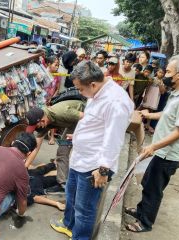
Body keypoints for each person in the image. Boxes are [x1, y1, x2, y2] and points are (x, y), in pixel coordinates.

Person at [50, 60, 134, 240]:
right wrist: (79, 137)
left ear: (93, 84)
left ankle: (79, 236)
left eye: (80, 89)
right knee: (71, 196)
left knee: (85, 209)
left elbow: (114, 140)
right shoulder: (96, 93)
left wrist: (103, 170)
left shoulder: (116, 102)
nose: (80, 93)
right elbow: (95, 123)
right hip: (80, 158)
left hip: (93, 166)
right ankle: (68, 225)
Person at [125, 54, 179, 233]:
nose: (165, 74)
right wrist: (149, 115)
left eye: (168, 71)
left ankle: (145, 222)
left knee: (154, 189)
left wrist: (153, 146)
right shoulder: (177, 94)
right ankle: (141, 211)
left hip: (167, 155)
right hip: (160, 151)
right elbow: (168, 115)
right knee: (148, 182)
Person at [25, 99, 85, 193]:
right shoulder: (43, 124)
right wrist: (25, 167)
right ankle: (63, 184)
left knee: (80, 152)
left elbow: (88, 117)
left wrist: (80, 136)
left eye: (36, 126)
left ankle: (82, 185)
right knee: (62, 151)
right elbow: (36, 148)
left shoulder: (61, 112)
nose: (36, 129)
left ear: (43, 121)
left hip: (83, 119)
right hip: (71, 123)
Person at [142, 68, 166, 132]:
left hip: (155, 97)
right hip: (149, 95)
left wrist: (160, 85)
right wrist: (145, 95)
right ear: (157, 72)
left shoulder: (163, 82)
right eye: (159, 72)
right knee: (144, 108)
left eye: (162, 73)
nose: (160, 74)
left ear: (164, 74)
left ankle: (147, 124)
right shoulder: (152, 79)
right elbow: (147, 87)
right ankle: (141, 123)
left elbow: (162, 92)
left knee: (151, 110)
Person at [44, 55, 61, 145]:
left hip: (51, 99)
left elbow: (57, 89)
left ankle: (52, 137)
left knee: (51, 118)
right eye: (55, 65)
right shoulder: (43, 72)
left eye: (58, 65)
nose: (57, 67)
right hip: (42, 98)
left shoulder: (58, 75)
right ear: (49, 64)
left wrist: (52, 98)